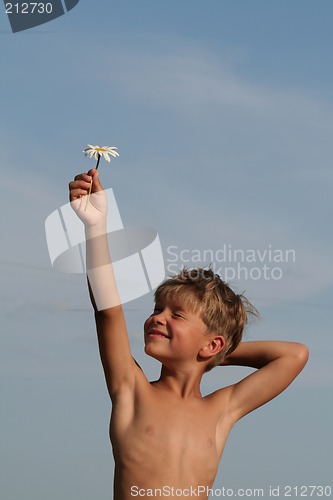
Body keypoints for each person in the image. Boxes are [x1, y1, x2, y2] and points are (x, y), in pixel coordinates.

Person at [69, 168, 309, 500]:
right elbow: (108, 310)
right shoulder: (132, 389)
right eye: (157, 310)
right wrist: (95, 227)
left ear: (213, 344)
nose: (158, 318)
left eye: (175, 315)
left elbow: (295, 355)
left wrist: (207, 356)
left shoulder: (221, 410)